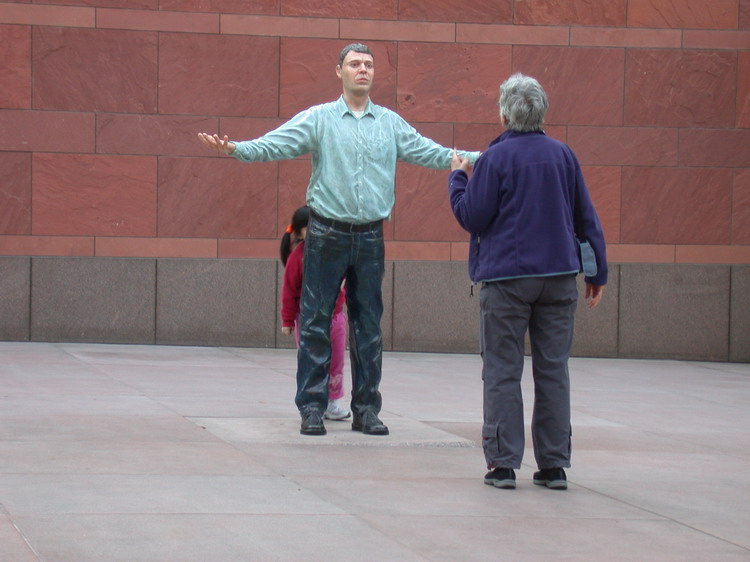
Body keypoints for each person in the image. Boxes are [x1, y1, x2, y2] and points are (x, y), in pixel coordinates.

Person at [198, 42, 480, 437]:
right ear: (339, 72)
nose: (362, 70)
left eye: (368, 64)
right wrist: (235, 149)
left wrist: (483, 158)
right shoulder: (320, 119)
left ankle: (366, 410)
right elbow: (275, 144)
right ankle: (312, 408)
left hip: (370, 237)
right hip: (326, 233)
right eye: (354, 64)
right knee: (314, 321)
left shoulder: (390, 124)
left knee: (368, 324)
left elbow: (432, 153)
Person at [448, 73, 607, 490]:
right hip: (558, 278)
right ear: (542, 113)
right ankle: (553, 466)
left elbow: (471, 216)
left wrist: (457, 178)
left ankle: (502, 465)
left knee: (502, 370)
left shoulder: (495, 159)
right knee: (553, 370)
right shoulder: (563, 155)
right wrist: (597, 272)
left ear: (503, 113)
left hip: (506, 280)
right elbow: (585, 217)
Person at [280, 205, 350, 422]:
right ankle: (312, 402)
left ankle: (331, 401)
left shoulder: (333, 252)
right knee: (312, 361)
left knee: (336, 360)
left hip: (336, 318)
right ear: (299, 232)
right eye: (311, 227)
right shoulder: (297, 258)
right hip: (307, 320)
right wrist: (287, 319)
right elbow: (289, 291)